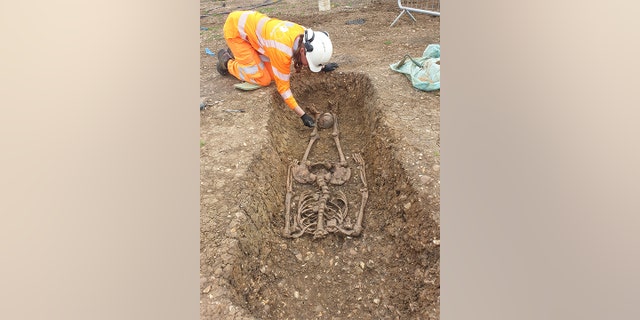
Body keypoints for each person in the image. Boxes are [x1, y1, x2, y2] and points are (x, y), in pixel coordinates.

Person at [216, 10, 338, 128]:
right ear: (302, 51)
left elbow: (310, 55)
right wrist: (303, 115)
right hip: (236, 31)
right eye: (310, 63)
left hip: (253, 32)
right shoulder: (282, 51)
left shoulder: (305, 35)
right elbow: (283, 89)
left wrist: (321, 66)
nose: (308, 66)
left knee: (274, 75)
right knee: (261, 78)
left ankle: (242, 53)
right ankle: (227, 62)